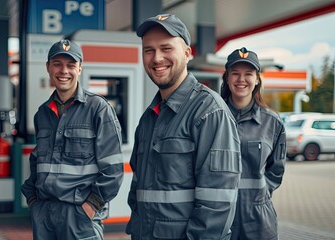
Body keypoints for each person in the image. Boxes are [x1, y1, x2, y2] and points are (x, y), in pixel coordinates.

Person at [126, 14, 241, 239]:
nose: (156, 58)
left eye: (166, 48)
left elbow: (216, 205)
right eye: (148, 50)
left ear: (187, 53)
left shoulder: (209, 112)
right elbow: (138, 191)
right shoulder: (149, 118)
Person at [21, 39, 124, 240]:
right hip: (44, 215)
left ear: (80, 69)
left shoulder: (98, 109)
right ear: (48, 67)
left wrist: (91, 206)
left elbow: (113, 170)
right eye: (57, 64)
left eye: (71, 65)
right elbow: (37, 161)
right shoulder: (42, 113)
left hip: (79, 216)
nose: (64, 71)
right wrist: (33, 200)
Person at [221, 47, 286, 239]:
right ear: (227, 78)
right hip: (221, 220)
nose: (241, 80)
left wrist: (259, 197)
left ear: (257, 79)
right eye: (235, 74)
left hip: (258, 224)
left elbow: (276, 170)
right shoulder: (212, 118)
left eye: (248, 74)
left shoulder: (272, 122)